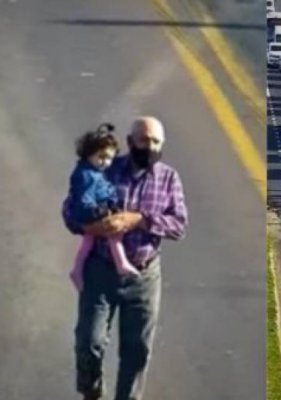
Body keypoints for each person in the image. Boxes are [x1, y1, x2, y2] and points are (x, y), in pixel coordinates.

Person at [61, 116, 188, 400]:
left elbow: (179, 225)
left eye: (156, 142)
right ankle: (92, 391)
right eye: (144, 140)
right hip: (101, 269)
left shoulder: (168, 178)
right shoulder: (105, 169)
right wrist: (90, 227)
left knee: (137, 351)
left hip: (143, 275)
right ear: (130, 142)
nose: (150, 146)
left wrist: (139, 220)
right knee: (89, 342)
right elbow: (69, 210)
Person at [67, 124, 141, 292]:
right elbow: (83, 198)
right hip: (91, 212)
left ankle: (78, 270)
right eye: (101, 157)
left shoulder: (94, 172)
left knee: (89, 242)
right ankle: (120, 263)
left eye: (109, 158)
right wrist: (97, 211)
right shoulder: (86, 175)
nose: (105, 162)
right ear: (88, 153)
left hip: (96, 208)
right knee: (113, 233)